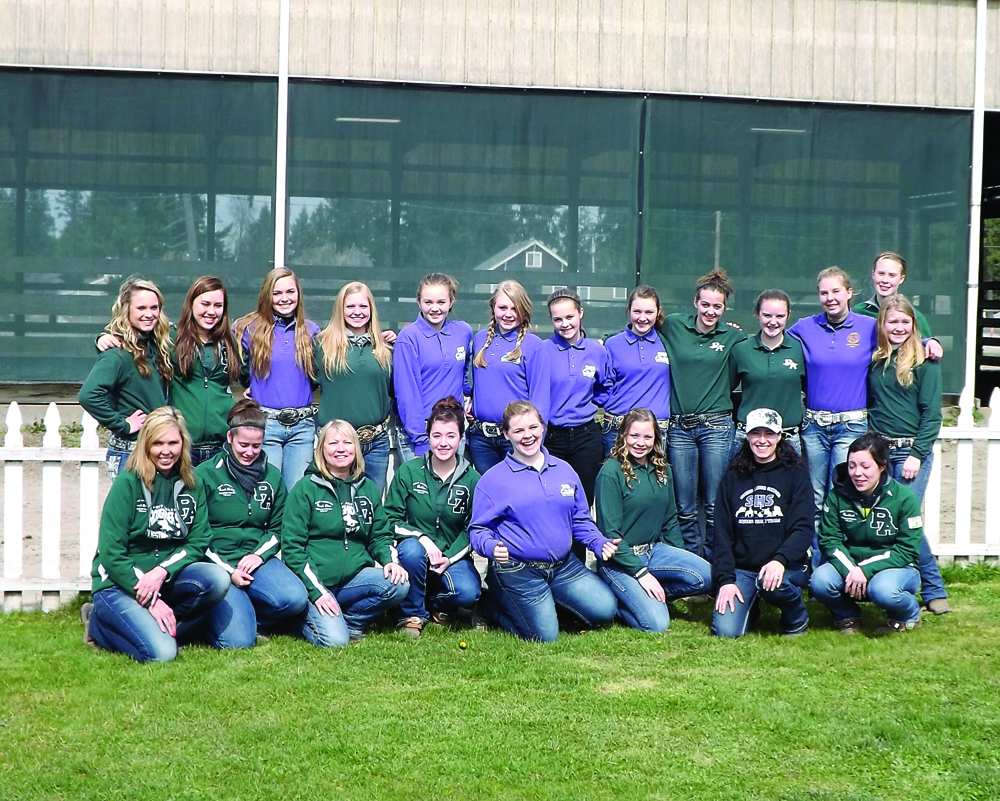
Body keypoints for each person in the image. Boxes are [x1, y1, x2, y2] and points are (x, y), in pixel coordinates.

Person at [80, 407, 229, 663]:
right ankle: (98, 624)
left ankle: (160, 627)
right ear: (145, 445)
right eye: (158, 443)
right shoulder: (127, 483)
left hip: (164, 580)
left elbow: (199, 540)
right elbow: (112, 553)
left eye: (173, 442)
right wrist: (150, 599)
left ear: (183, 443)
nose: (166, 451)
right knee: (162, 654)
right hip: (120, 583)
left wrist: (162, 572)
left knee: (217, 578)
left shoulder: (193, 484)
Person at [468, 400, 618, 642]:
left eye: (533, 428)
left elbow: (580, 519)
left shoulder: (565, 470)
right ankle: (491, 606)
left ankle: (546, 601)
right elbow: (478, 530)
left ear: (543, 427)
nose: (527, 436)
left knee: (604, 609)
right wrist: (491, 547)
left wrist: (598, 542)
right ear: (506, 434)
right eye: (518, 430)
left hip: (563, 566)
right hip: (518, 569)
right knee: (545, 636)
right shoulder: (493, 480)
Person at [281, 420, 409, 646]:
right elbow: (292, 549)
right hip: (315, 582)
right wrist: (317, 591)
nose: (341, 449)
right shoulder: (305, 489)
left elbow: (380, 535)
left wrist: (390, 561)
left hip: (353, 580)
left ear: (356, 448)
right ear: (321, 449)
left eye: (347, 442)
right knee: (335, 641)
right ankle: (297, 619)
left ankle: (351, 620)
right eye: (333, 443)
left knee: (399, 584)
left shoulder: (367, 488)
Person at [197, 399, 308, 648]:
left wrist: (258, 555)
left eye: (256, 446)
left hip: (255, 560)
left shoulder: (272, 476)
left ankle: (255, 617)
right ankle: (209, 620)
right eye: (243, 445)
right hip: (218, 564)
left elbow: (279, 527)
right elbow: (197, 535)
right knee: (237, 642)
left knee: (294, 599)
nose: (249, 452)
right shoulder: (205, 474)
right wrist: (229, 571)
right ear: (230, 438)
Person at [98, 276, 241, 467]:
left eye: (218, 305)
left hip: (219, 445)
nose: (211, 311)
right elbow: (136, 335)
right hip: (182, 444)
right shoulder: (170, 338)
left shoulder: (230, 342)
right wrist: (102, 338)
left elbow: (249, 373)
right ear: (191, 304)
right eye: (205, 304)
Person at [788, 267, 876, 565]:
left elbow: (901, 340)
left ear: (849, 292)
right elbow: (771, 340)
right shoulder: (805, 327)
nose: (830, 298)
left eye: (836, 291)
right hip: (814, 425)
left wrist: (929, 342)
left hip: (851, 425)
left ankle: (842, 564)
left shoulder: (868, 327)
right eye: (824, 292)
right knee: (814, 498)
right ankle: (817, 568)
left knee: (841, 496)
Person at [594, 409, 712, 633]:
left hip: (655, 551)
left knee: (707, 576)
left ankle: (650, 594)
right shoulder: (611, 472)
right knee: (656, 624)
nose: (641, 443)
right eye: (634, 436)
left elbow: (670, 520)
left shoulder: (662, 469)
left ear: (656, 438)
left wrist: (681, 558)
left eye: (647, 437)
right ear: (623, 436)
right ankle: (621, 599)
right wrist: (641, 573)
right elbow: (610, 534)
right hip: (620, 560)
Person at [869, 296, 950, 615]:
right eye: (893, 321)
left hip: (910, 452)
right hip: (880, 452)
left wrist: (917, 453)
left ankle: (933, 589)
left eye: (905, 322)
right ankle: (897, 582)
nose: (899, 327)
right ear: (882, 324)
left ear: (914, 325)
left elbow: (932, 414)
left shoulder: (925, 361)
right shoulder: (875, 359)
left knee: (905, 518)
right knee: (888, 519)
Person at [659, 268, 745, 561]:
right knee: (684, 505)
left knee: (713, 504)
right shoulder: (673, 325)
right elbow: (641, 328)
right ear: (695, 302)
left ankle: (714, 564)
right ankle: (692, 565)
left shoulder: (733, 336)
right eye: (705, 304)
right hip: (680, 428)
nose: (710, 311)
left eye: (717, 306)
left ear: (724, 308)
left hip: (716, 426)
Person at [711, 408, 814, 638]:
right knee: (726, 632)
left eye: (769, 433)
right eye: (756, 433)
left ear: (779, 436)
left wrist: (780, 560)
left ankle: (796, 618)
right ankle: (751, 607)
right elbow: (722, 534)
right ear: (747, 436)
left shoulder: (795, 473)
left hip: (786, 566)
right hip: (743, 569)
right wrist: (726, 580)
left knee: (776, 585)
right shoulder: (732, 476)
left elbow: (803, 528)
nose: (762, 440)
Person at [384, 397, 481, 637]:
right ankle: (412, 614)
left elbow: (473, 529)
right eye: (437, 435)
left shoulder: (473, 480)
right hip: (415, 554)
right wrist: (421, 537)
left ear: (460, 438)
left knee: (468, 593)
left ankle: (434, 603)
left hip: (452, 557)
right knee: (411, 550)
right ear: (428, 437)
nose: (443, 443)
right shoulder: (409, 471)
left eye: (451, 436)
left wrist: (449, 558)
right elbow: (390, 519)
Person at [810, 433, 924, 635]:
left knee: (882, 590)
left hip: (897, 567)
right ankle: (846, 617)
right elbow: (829, 540)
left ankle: (907, 615)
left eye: (865, 466)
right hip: (852, 563)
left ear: (882, 466)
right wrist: (851, 570)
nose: (857, 473)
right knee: (820, 581)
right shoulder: (837, 496)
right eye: (852, 466)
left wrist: (865, 570)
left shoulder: (905, 498)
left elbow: (907, 550)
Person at [234, 268, 319, 491]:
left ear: (298, 293)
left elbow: (323, 370)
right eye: (277, 293)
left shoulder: (311, 331)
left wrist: (379, 337)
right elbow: (237, 367)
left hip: (302, 427)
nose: (284, 298)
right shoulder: (248, 328)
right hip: (266, 424)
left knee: (296, 493)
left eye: (290, 291)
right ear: (267, 295)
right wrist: (249, 385)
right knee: (266, 491)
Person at [79, 277, 172, 480]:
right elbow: (88, 395)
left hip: (158, 448)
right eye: (141, 308)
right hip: (130, 451)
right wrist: (123, 424)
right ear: (126, 310)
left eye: (154, 308)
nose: (149, 314)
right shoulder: (117, 353)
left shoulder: (158, 346)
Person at [314, 281, 394, 494]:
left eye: (363, 306)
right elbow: (302, 384)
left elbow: (398, 391)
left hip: (375, 442)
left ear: (371, 309)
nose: (357, 312)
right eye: (350, 306)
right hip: (336, 444)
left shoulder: (385, 348)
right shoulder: (322, 345)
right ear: (340, 309)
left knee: (371, 504)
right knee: (334, 504)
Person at [465, 281, 551, 474]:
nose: (509, 314)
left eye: (515, 308)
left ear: (524, 310)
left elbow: (540, 399)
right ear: (493, 307)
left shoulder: (534, 345)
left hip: (516, 438)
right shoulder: (480, 339)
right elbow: (477, 381)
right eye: (503, 307)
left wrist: (535, 441)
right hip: (481, 439)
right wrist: (473, 402)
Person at [393, 273, 473, 464]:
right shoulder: (409, 337)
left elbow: (465, 371)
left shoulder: (463, 331)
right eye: (428, 302)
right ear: (418, 302)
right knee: (421, 484)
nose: (435, 308)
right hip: (421, 432)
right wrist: (420, 439)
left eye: (441, 302)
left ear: (451, 301)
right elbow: (406, 392)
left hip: (454, 428)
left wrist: (471, 400)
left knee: (452, 483)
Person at [542, 289, 608, 508]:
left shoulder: (597, 351)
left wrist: (589, 404)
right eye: (558, 319)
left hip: (586, 437)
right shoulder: (542, 350)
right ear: (551, 319)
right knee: (552, 502)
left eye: (570, 317)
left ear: (581, 313)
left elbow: (605, 387)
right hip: (552, 438)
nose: (565, 324)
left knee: (582, 502)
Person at [729, 289, 805, 455]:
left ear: (788, 315)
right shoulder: (741, 349)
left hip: (788, 437)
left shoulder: (800, 349)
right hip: (749, 438)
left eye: (780, 316)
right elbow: (724, 389)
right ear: (757, 314)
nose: (773, 322)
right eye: (767, 315)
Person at [600, 286, 672, 458]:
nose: (642, 318)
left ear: (658, 312)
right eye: (637, 311)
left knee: (654, 475)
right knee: (615, 474)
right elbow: (603, 385)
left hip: (656, 430)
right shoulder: (612, 344)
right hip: (618, 427)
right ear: (629, 309)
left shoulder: (667, 342)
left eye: (649, 312)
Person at [854, 252, 939, 347]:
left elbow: (923, 349)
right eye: (881, 273)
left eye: (892, 275)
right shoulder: (858, 313)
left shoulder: (915, 317)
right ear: (873, 274)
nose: (885, 280)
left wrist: (931, 342)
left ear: (901, 279)